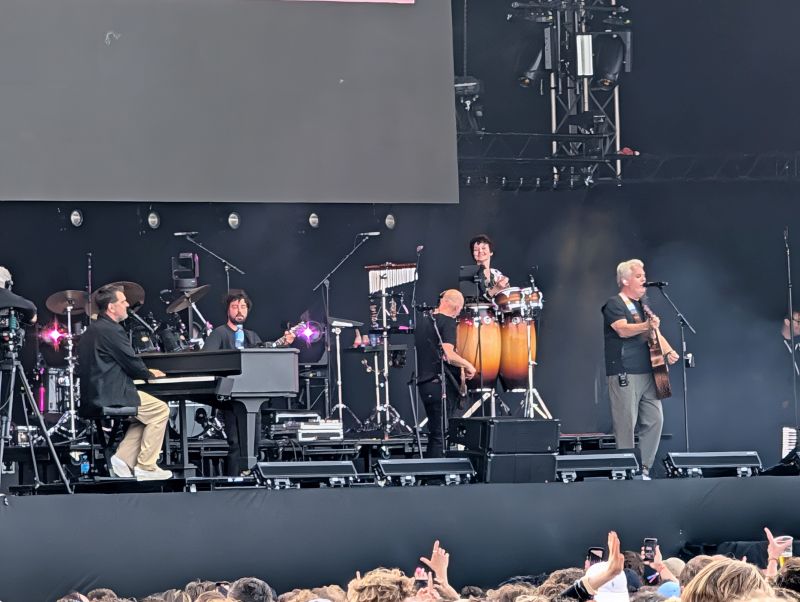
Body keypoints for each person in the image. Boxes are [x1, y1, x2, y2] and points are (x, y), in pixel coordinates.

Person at [77, 284, 172, 480]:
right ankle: (147, 466)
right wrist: (149, 374)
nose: (128, 304)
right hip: (111, 395)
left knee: (144, 416)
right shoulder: (112, 330)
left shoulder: (91, 331)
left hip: (92, 396)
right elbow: (131, 362)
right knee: (160, 410)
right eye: (123, 301)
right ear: (111, 307)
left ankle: (122, 459)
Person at [202, 291, 295, 475]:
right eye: (235, 306)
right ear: (228, 310)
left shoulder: (252, 336)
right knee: (236, 443)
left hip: (253, 396)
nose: (239, 311)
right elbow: (206, 359)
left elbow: (264, 359)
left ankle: (251, 479)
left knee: (253, 443)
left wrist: (284, 344)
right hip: (230, 398)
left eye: (243, 307)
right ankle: (234, 482)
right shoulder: (219, 333)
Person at [602, 259, 679, 477]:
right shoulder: (614, 303)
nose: (644, 279)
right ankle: (625, 469)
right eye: (638, 276)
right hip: (625, 371)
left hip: (651, 371)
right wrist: (647, 325)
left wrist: (668, 351)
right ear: (625, 280)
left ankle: (643, 468)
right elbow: (622, 329)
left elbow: (654, 332)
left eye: (644, 275)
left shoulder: (642, 306)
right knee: (626, 424)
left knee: (655, 419)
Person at [415, 289, 476, 458]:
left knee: (435, 433)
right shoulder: (448, 322)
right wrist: (469, 366)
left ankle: (431, 470)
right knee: (440, 434)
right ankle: (437, 472)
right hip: (439, 383)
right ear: (457, 307)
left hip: (424, 384)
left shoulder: (424, 322)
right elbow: (448, 355)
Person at [469, 234, 510, 300]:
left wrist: (506, 287)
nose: (480, 251)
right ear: (473, 254)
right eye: (476, 250)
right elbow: (470, 301)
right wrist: (495, 290)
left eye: (483, 248)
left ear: (491, 252)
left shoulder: (496, 273)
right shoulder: (469, 273)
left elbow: (505, 298)